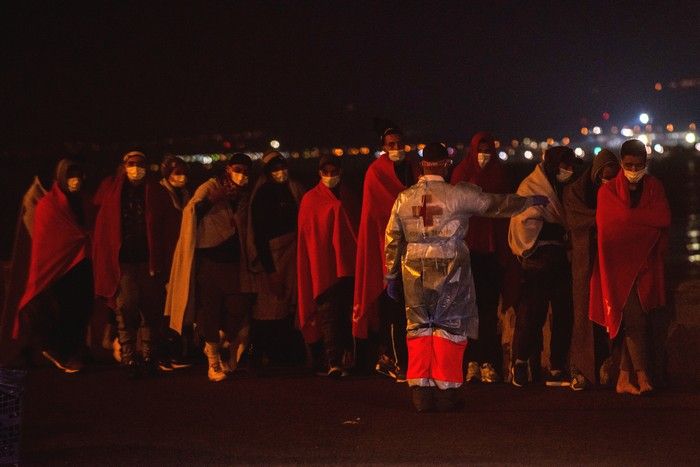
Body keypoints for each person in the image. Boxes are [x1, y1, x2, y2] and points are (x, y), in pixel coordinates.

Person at [385, 143, 547, 412]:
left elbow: (392, 239)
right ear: (446, 165)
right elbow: (494, 204)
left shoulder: (404, 198)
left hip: (412, 268)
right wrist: (528, 201)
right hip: (450, 265)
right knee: (449, 328)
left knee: (418, 327)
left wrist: (390, 273)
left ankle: (420, 393)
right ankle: (446, 392)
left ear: (422, 165)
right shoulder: (457, 195)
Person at [166, 153, 257, 382]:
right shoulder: (210, 187)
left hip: (235, 262)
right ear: (228, 168)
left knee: (238, 305)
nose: (242, 175)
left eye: (246, 171)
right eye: (238, 169)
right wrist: (211, 201)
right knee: (210, 310)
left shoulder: (244, 194)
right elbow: (191, 212)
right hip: (209, 260)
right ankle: (213, 362)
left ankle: (217, 343)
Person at [589, 139, 670, 396]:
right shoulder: (608, 192)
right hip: (617, 269)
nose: (634, 169)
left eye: (639, 164)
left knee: (634, 319)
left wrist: (631, 220)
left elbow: (663, 218)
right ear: (621, 163)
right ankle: (642, 376)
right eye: (629, 165)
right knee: (635, 321)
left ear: (646, 163)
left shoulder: (655, 187)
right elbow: (610, 227)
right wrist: (642, 223)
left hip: (644, 266)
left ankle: (623, 378)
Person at [92, 151, 170, 378]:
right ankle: (128, 355)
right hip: (123, 261)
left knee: (150, 307)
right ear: (124, 166)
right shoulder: (113, 192)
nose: (136, 168)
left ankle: (148, 354)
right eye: (131, 164)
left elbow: (166, 227)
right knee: (125, 306)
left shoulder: (156, 192)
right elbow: (103, 228)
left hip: (148, 259)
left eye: (140, 164)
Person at [353, 126, 421, 381]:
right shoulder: (375, 173)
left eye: (399, 143)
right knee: (392, 311)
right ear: (383, 145)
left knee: (410, 310)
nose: (395, 148)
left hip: (412, 249)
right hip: (386, 251)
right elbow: (375, 216)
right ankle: (396, 360)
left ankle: (405, 359)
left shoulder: (413, 169)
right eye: (390, 144)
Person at [13, 159, 94, 373]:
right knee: (61, 310)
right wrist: (80, 239)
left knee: (80, 309)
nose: (75, 181)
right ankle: (61, 352)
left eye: (77, 175)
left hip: (81, 265)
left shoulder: (83, 201)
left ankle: (75, 350)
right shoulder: (48, 205)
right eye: (70, 176)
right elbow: (48, 241)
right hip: (60, 270)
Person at [508, 146, 576, 388]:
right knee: (532, 314)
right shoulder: (531, 186)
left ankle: (557, 366)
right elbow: (523, 221)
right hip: (537, 259)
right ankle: (520, 363)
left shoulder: (566, 188)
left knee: (563, 313)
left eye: (570, 166)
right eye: (564, 165)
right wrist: (556, 229)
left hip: (560, 258)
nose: (568, 170)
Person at [450, 132, 512, 384]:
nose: (484, 154)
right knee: (467, 310)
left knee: (487, 310)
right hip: (468, 252)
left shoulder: (499, 174)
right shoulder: (461, 175)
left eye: (489, 149)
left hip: (492, 252)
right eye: (481, 149)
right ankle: (470, 362)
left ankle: (487, 361)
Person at [297, 156, 359, 377]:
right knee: (328, 314)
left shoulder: (349, 196)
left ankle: (345, 358)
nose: (330, 175)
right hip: (323, 266)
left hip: (347, 267)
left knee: (345, 314)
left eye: (334, 171)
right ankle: (332, 361)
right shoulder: (310, 200)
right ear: (319, 172)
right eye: (326, 171)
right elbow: (310, 238)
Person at [563, 149, 620, 390]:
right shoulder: (576, 191)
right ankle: (582, 369)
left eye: (611, 177)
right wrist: (606, 216)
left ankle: (613, 366)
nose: (607, 182)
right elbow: (576, 219)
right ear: (596, 174)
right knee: (583, 313)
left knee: (612, 311)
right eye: (604, 177)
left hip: (610, 259)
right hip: (584, 261)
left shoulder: (619, 190)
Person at [249, 151, 306, 368]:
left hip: (293, 253)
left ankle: (290, 356)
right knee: (270, 307)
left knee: (291, 306)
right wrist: (271, 270)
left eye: (282, 167)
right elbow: (260, 235)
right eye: (274, 169)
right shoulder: (262, 194)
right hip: (273, 257)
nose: (280, 172)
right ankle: (265, 356)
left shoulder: (294, 189)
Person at [154, 155, 192, 370]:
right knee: (164, 309)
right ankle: (163, 354)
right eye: (177, 173)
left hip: (181, 257)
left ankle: (177, 352)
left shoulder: (184, 194)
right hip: (167, 258)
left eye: (183, 173)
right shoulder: (161, 194)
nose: (181, 177)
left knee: (178, 306)